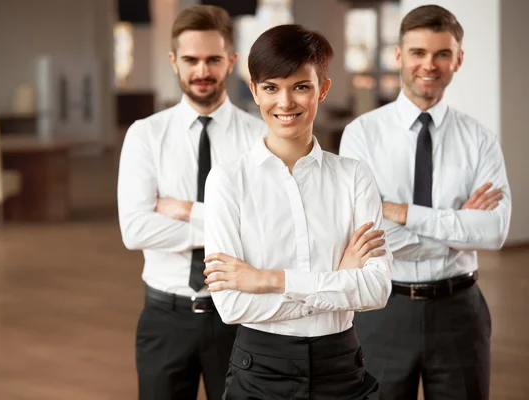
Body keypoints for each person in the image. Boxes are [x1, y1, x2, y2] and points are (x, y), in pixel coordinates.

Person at [203, 24, 393, 400]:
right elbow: (231, 304)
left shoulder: (354, 177)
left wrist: (270, 280)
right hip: (260, 367)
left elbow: (375, 289)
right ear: (255, 91)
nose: (285, 103)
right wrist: (338, 279)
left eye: (300, 87)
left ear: (322, 89)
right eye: (271, 87)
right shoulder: (228, 180)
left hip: (341, 364)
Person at [339, 5, 512, 400]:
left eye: (441, 54)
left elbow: (494, 232)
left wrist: (401, 213)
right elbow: (364, 237)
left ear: (458, 60)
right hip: (383, 308)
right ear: (399, 55)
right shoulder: (361, 135)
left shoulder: (480, 139)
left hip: (460, 313)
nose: (428, 65)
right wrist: (457, 225)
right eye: (418, 52)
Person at [117, 5, 267, 400]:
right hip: (165, 318)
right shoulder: (145, 135)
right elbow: (135, 230)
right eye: (191, 60)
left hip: (239, 316)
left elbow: (265, 228)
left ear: (232, 61)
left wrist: (185, 209)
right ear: (174, 62)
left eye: (213, 59)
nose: (203, 71)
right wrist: (227, 223)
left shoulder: (260, 139)